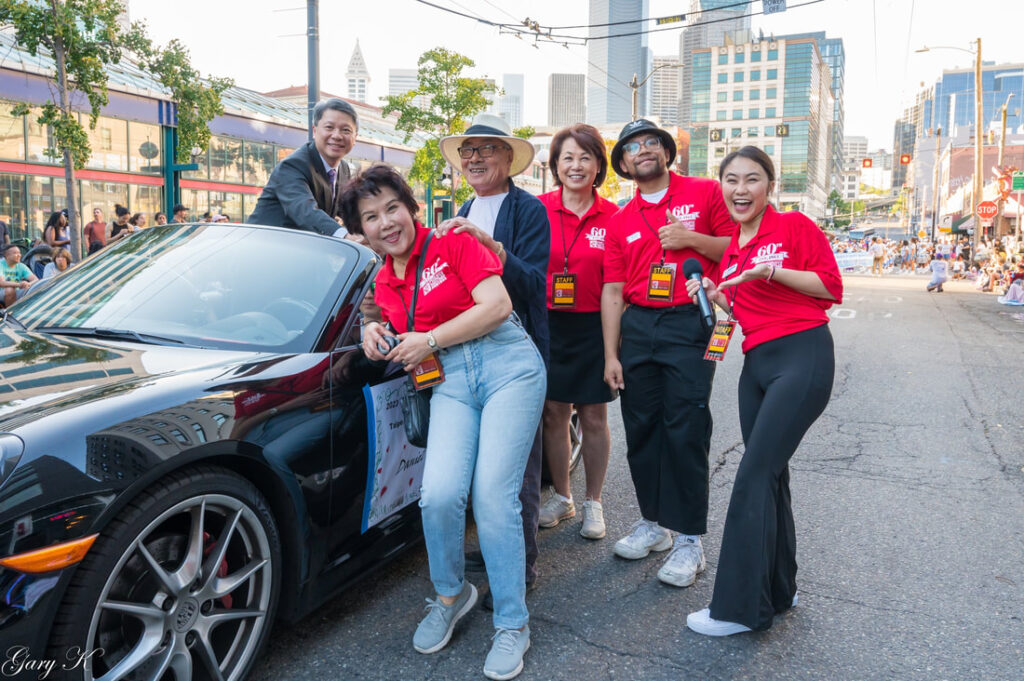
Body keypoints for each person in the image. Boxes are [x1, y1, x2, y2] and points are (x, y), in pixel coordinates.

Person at [343, 164, 545, 680]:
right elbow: (383, 317)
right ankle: (452, 594)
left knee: (494, 496)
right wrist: (374, 333)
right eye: (371, 217)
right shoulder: (384, 280)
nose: (386, 222)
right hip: (450, 381)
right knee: (437, 494)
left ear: (411, 207)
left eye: (392, 207)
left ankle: (512, 623)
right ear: (361, 231)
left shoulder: (453, 240)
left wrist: (429, 339)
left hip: (507, 367)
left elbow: (497, 304)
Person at [683, 146, 842, 636]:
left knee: (752, 474)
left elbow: (831, 287)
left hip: (802, 355)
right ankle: (778, 588)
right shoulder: (732, 246)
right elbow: (741, 311)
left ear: (769, 186)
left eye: (752, 179)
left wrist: (771, 271)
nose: (740, 189)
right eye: (731, 180)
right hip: (757, 362)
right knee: (771, 475)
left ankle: (738, 610)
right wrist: (716, 296)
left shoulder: (794, 228)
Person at [601, 118, 734, 588]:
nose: (643, 150)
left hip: (689, 321)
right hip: (638, 326)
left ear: (665, 150)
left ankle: (689, 540)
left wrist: (691, 239)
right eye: (632, 147)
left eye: (651, 142)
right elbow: (613, 291)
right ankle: (653, 523)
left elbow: (735, 248)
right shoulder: (620, 219)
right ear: (622, 163)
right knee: (642, 428)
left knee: (686, 427)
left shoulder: (705, 193)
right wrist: (610, 354)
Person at [436, 113, 550, 606]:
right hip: (465, 354)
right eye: (468, 151)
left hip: (514, 352)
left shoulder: (529, 211)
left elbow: (535, 284)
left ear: (509, 159)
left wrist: (493, 248)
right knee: (480, 463)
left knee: (517, 468)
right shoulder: (460, 208)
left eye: (486, 149)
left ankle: (520, 564)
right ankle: (493, 543)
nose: (475, 157)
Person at [536, 124, 618, 539]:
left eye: (585, 157)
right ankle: (563, 498)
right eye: (567, 157)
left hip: (593, 324)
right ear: (555, 165)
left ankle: (594, 503)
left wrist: (611, 351)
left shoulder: (614, 217)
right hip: (548, 324)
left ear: (599, 166)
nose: (576, 165)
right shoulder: (537, 209)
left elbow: (615, 286)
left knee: (594, 416)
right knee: (554, 412)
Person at [248, 98, 356, 235]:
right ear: (315, 131)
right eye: (329, 127)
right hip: (263, 247)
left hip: (302, 249)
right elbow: (305, 211)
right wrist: (344, 235)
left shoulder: (344, 169)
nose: (337, 136)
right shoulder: (292, 166)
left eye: (346, 130)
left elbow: (349, 213)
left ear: (355, 137)